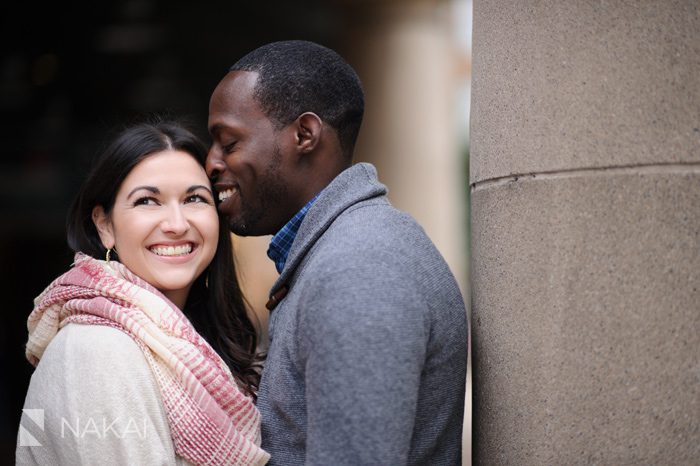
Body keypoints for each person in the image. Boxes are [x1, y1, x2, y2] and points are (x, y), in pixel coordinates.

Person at [206, 40, 468, 465]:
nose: (211, 163)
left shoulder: (360, 268)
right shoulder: (347, 250)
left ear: (304, 135)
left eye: (229, 142)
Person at [16, 120, 270, 466]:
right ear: (104, 225)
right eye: (148, 201)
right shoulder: (96, 349)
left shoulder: (199, 347)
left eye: (195, 198)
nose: (177, 224)